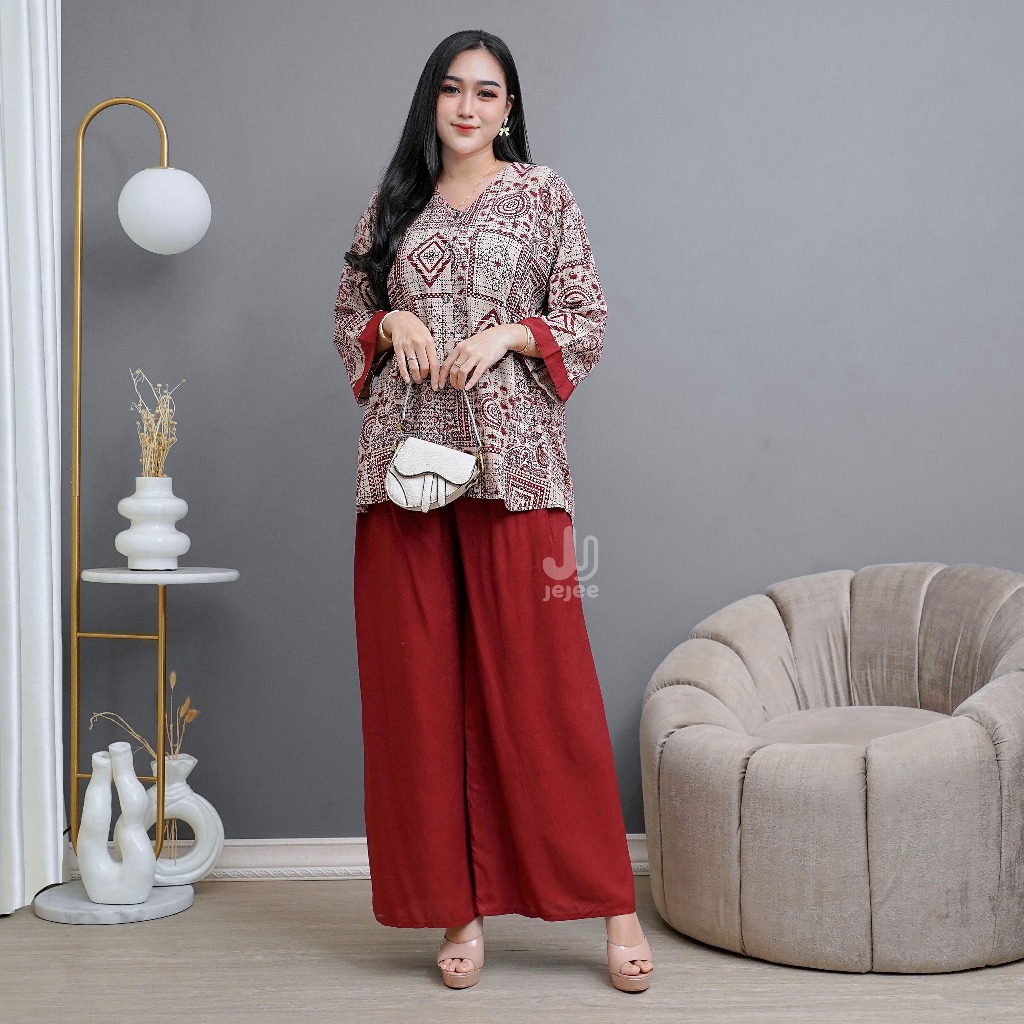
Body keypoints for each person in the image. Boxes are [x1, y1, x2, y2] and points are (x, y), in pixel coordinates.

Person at [332, 28, 655, 993]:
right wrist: (393, 320)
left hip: (516, 467)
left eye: (486, 91)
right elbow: (349, 316)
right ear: (430, 101)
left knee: (545, 689)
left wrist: (509, 335)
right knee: (418, 693)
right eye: (452, 89)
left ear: (509, 107)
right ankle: (458, 913)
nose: (467, 107)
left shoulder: (544, 194)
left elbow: (586, 318)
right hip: (404, 469)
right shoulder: (395, 203)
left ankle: (614, 907)